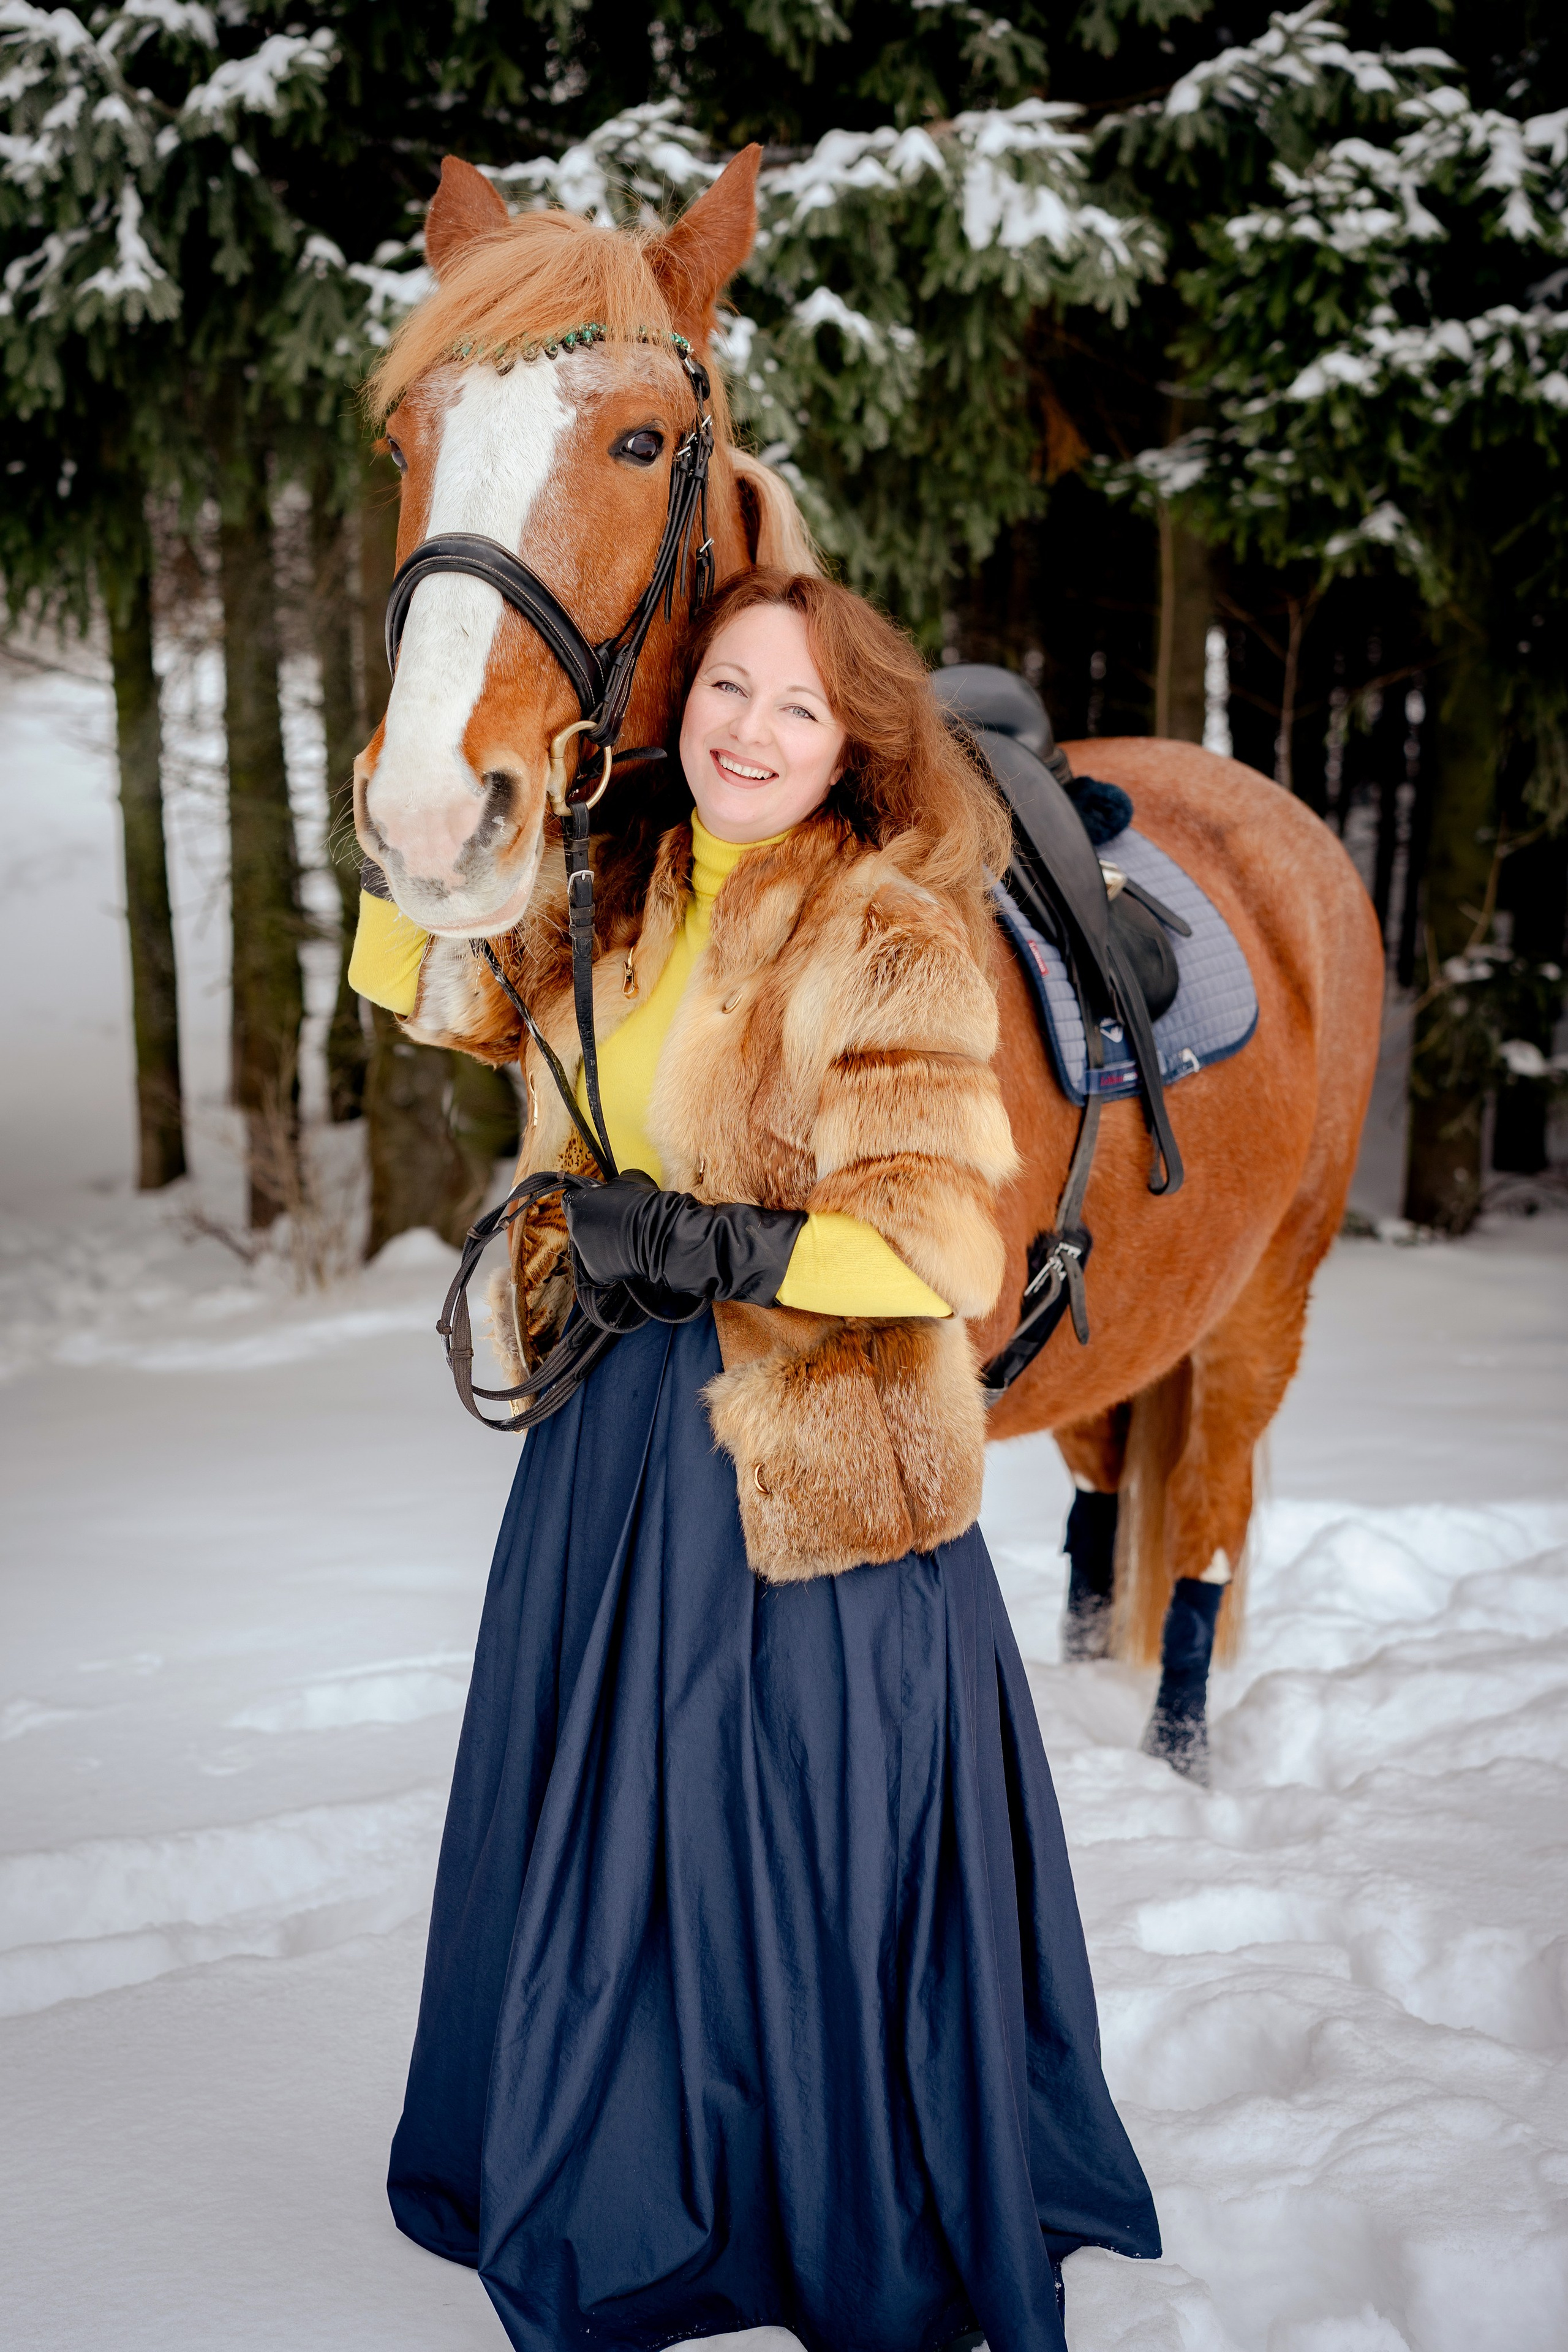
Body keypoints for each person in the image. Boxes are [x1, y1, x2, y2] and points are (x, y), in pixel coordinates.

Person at [351, 569, 1159, 2352]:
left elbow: (942, 1253)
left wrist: (721, 1250)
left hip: (804, 1470)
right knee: (597, 1832)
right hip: (611, 1437)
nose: (748, 730)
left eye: (797, 707)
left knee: (768, 1843)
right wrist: (417, 806)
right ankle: (604, 2153)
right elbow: (446, 995)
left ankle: (797, 2188)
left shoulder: (887, 933)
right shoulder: (627, 898)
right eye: (726, 686)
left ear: (853, 745)